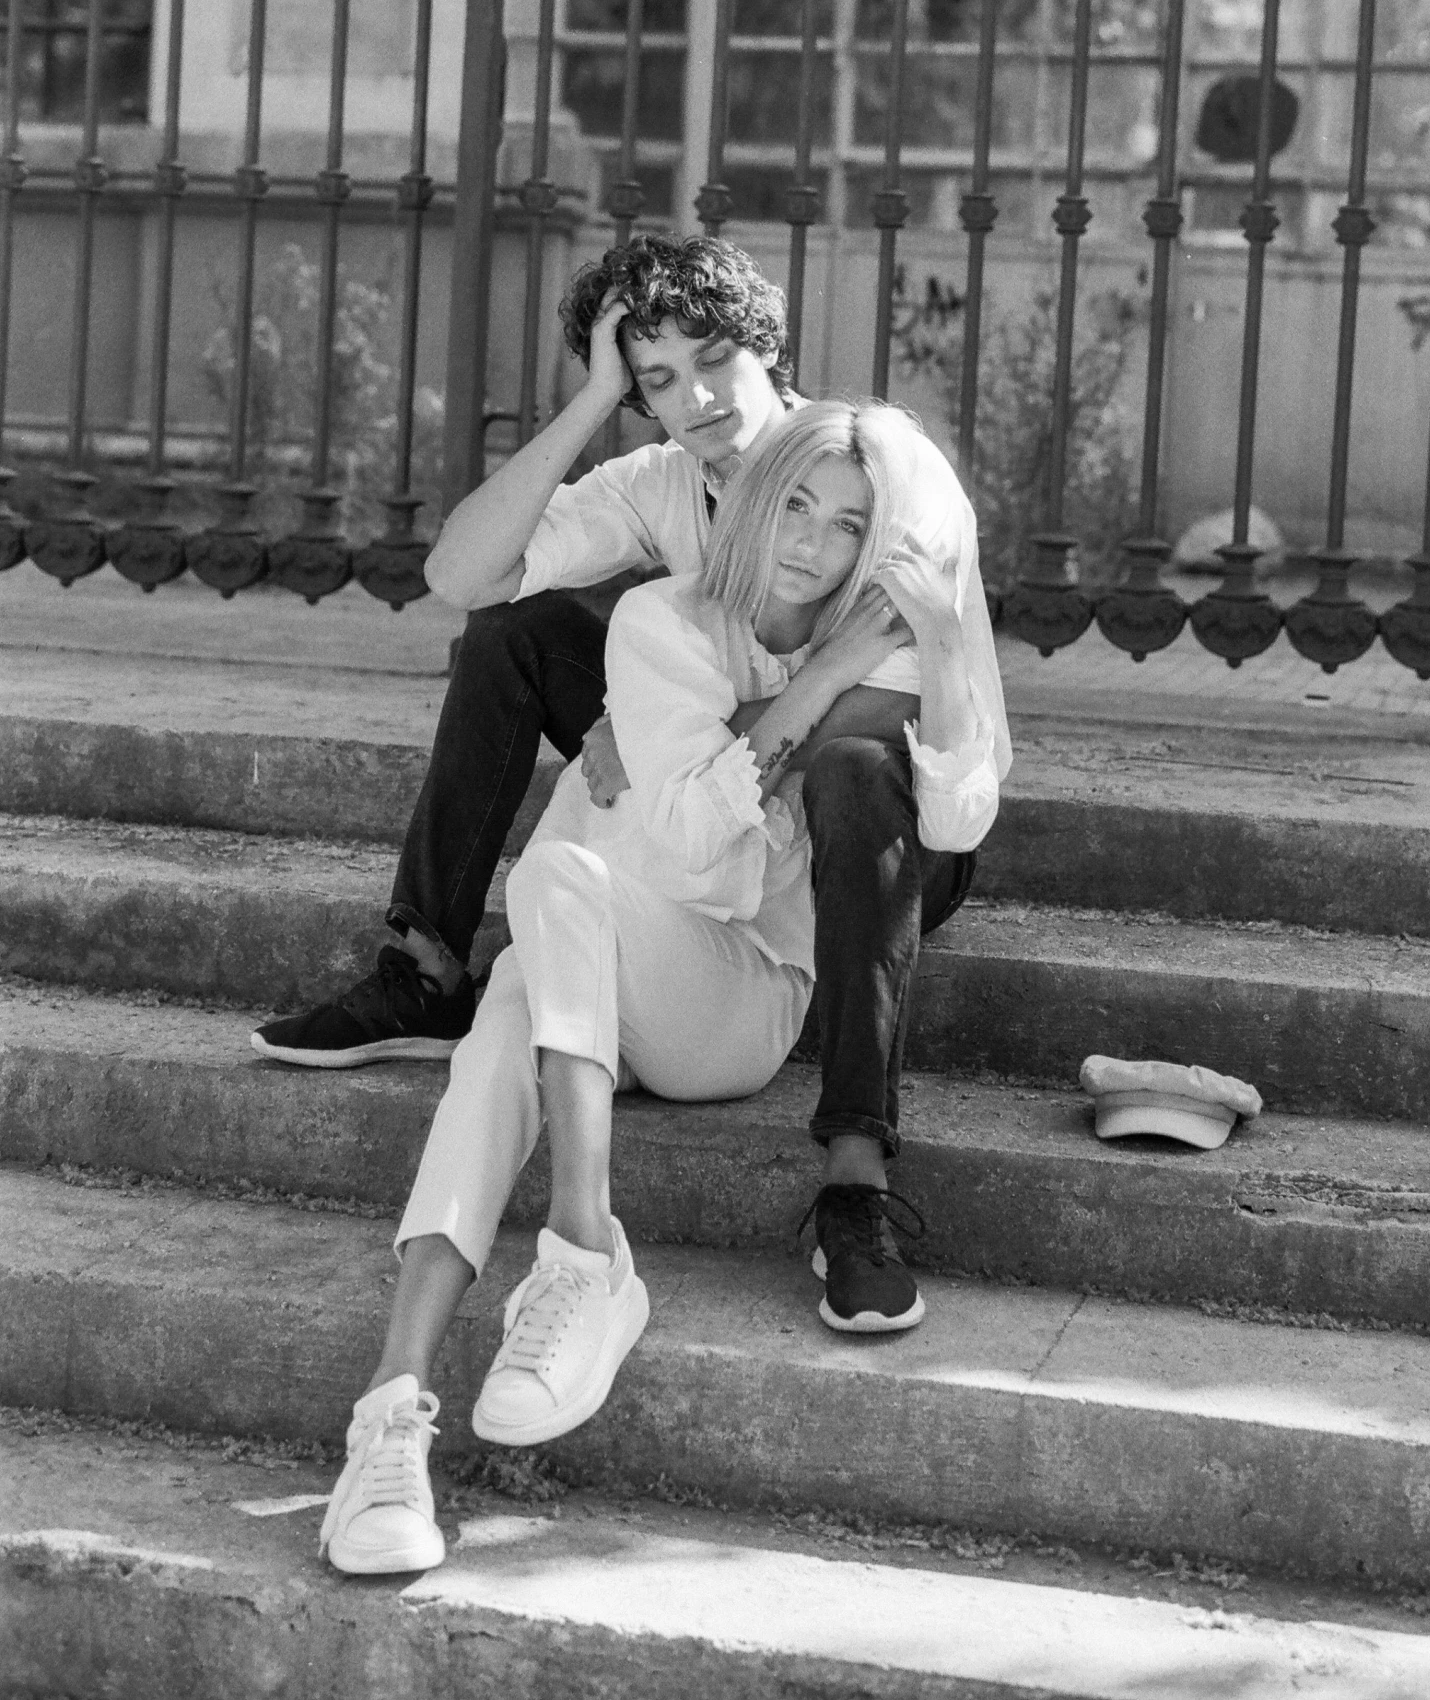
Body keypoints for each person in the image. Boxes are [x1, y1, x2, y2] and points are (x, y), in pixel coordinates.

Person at [253, 233, 1012, 1332]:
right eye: (658, 378)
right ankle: (425, 966)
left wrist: (677, 723)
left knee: (845, 772)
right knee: (508, 634)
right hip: (714, 808)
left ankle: (855, 1176)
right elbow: (462, 572)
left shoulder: (877, 468)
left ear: (767, 345)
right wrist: (593, 400)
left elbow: (901, 689)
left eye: (712, 357)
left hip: (888, 830)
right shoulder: (661, 479)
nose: (695, 396)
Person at [319, 401, 998, 1577]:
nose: (812, 543)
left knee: (558, 884)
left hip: (727, 1000)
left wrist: (934, 648)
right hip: (590, 957)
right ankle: (390, 1417)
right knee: (510, 1009)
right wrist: (812, 685)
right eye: (792, 503)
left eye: (848, 525)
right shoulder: (658, 623)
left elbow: (952, 821)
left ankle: (585, 1249)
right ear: (745, 499)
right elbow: (685, 842)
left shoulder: (889, 640)